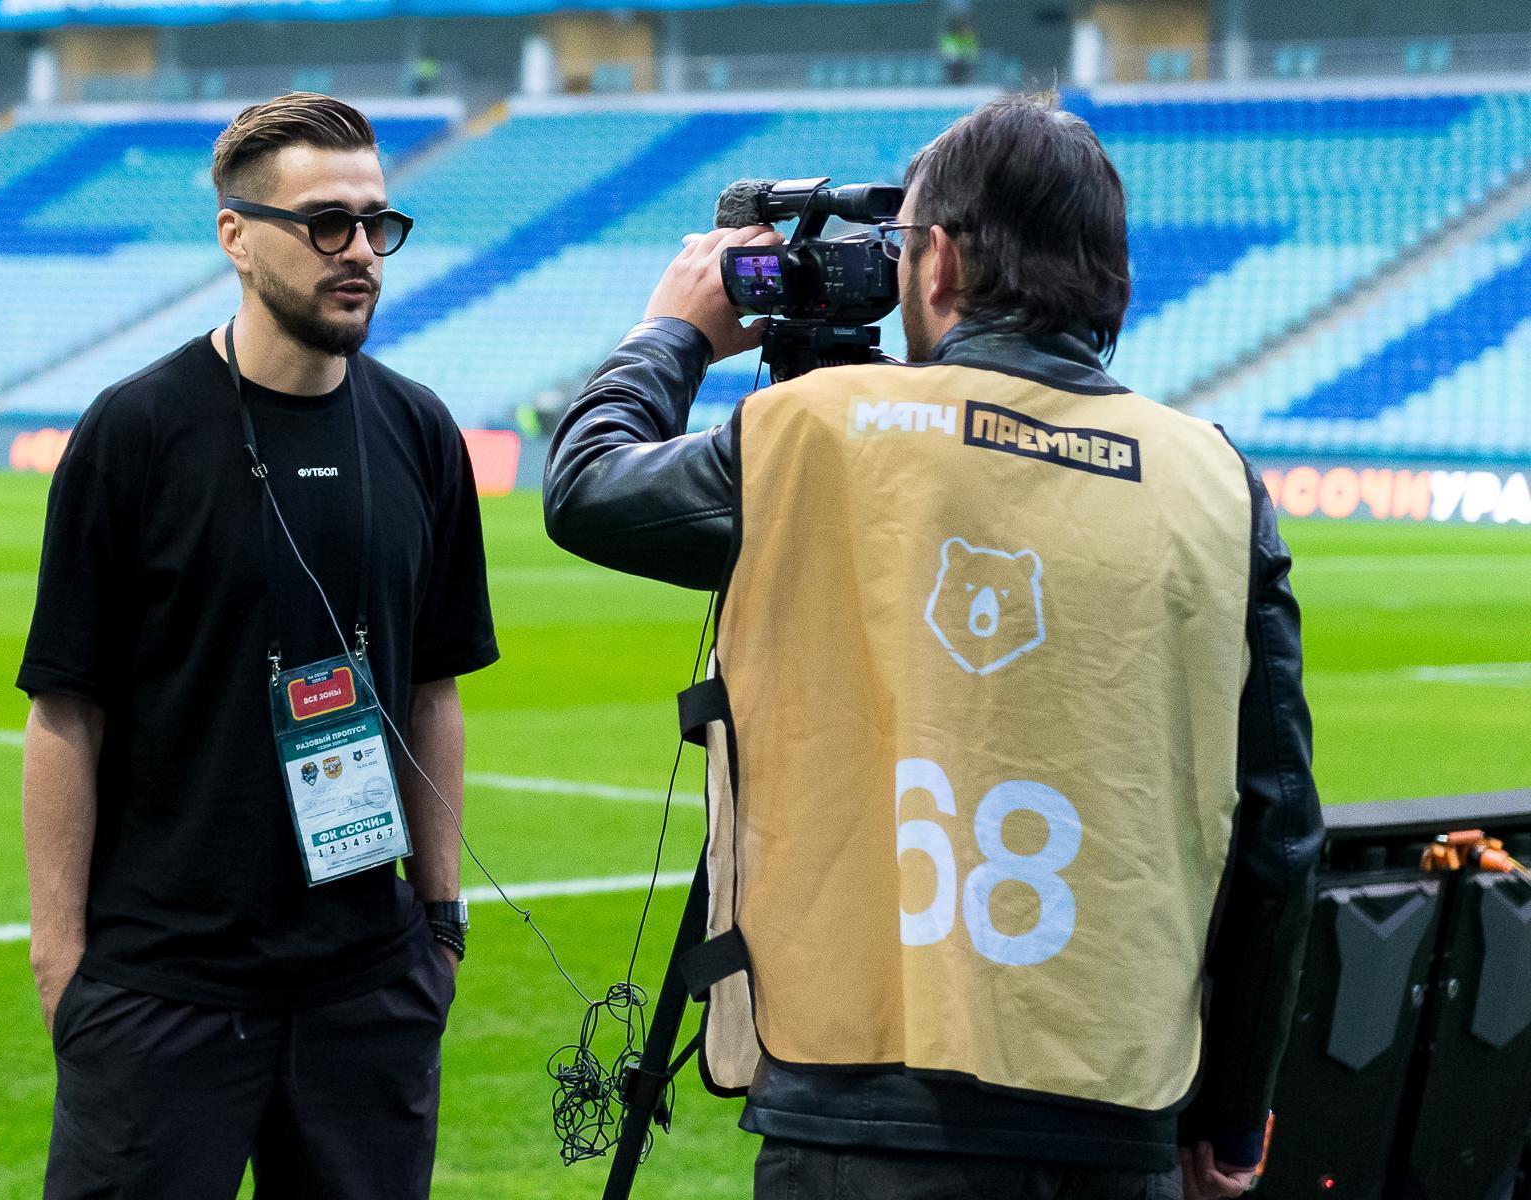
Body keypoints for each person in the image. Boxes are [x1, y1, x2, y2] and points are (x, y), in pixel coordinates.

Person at [544, 94, 1322, 1200]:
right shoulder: (1216, 479)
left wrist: (672, 331)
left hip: (864, 1101)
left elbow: (585, 486)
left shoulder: (818, 429)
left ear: (942, 260)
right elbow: (1279, 837)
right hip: (1114, 1108)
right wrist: (1231, 1113)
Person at [18, 92, 498, 1199]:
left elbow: (434, 692)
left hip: (368, 996)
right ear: (236, 236)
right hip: (161, 997)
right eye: (326, 223)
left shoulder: (420, 430)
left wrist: (438, 928)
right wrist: (63, 969)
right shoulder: (136, 431)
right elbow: (65, 710)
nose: (361, 250)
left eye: (376, 222)